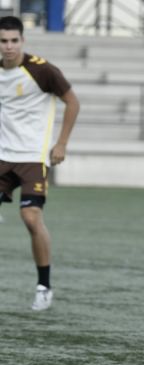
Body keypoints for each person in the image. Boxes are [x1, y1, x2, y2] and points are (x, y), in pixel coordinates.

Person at [0, 15, 80, 311]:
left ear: (22, 41)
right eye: (3, 41)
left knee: (31, 219)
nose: (8, 47)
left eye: (13, 41)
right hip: (2, 156)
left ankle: (44, 286)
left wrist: (61, 143)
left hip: (33, 157)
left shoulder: (41, 70)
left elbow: (73, 101)